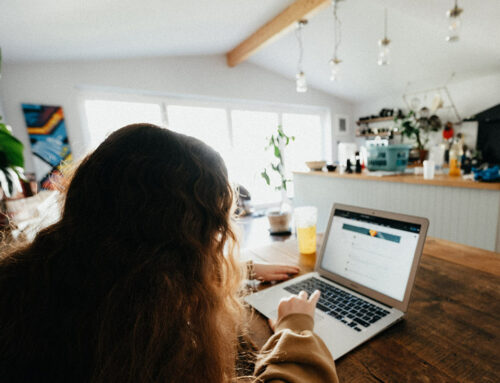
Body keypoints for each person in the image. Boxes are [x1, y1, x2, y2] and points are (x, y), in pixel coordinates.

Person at [0, 124, 338, 383]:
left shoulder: (36, 278)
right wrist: (296, 327)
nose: (214, 243)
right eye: (209, 232)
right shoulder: (138, 338)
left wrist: (243, 269)